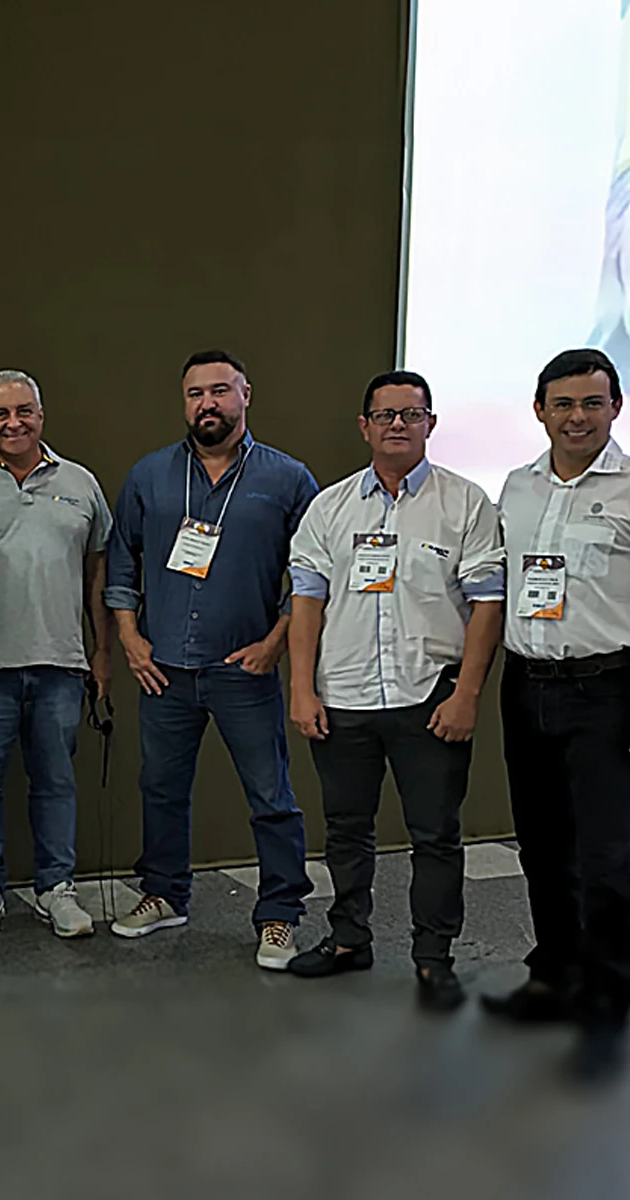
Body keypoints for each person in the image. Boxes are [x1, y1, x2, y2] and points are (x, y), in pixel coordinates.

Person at [284, 370, 504, 1009]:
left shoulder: (466, 504)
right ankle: (349, 938)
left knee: (435, 836)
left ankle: (433, 957)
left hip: (429, 698)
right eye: (385, 415)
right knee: (346, 830)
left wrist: (466, 695)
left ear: (431, 423)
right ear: (365, 427)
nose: (398, 425)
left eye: (411, 414)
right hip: (343, 694)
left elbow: (487, 605)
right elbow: (306, 603)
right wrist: (302, 689)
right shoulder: (329, 508)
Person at [105, 349, 319, 970]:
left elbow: (311, 575)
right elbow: (121, 564)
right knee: (161, 789)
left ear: (245, 394)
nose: (208, 404)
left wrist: (276, 642)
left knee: (271, 796)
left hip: (243, 669)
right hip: (164, 668)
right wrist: (130, 638)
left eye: (220, 391)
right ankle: (165, 894)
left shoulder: (288, 479)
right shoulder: (150, 476)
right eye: (196, 393)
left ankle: (279, 915)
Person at [486, 348, 630, 1082]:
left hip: (608, 690)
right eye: (564, 404)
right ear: (540, 410)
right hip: (527, 685)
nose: (578, 417)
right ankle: (554, 978)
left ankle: (606, 1002)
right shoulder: (517, 486)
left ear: (616, 408)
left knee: (609, 860)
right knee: (542, 847)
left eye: (592, 403)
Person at [0, 370, 114, 939]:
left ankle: (56, 889)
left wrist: (101, 651)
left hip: (61, 662)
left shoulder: (81, 483)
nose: (13, 423)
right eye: (1, 414)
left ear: (41, 416)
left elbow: (97, 573)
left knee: (56, 781)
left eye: (24, 412)